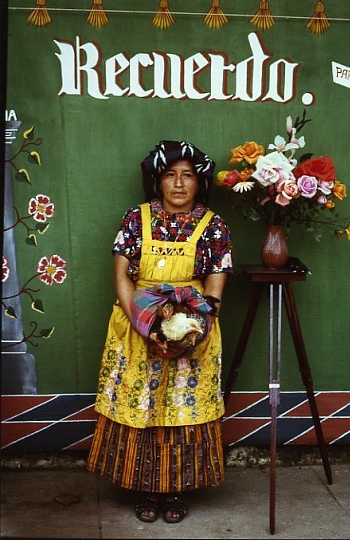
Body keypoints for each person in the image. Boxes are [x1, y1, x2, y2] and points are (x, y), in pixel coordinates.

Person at [87, 140, 233, 524]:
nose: (179, 184)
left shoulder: (213, 225)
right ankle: (144, 486)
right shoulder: (136, 219)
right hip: (139, 322)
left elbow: (216, 279)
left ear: (198, 182)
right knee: (144, 405)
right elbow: (121, 275)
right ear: (157, 181)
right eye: (170, 175)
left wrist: (198, 327)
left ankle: (176, 489)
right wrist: (144, 322)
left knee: (181, 407)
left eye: (187, 176)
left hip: (192, 323)